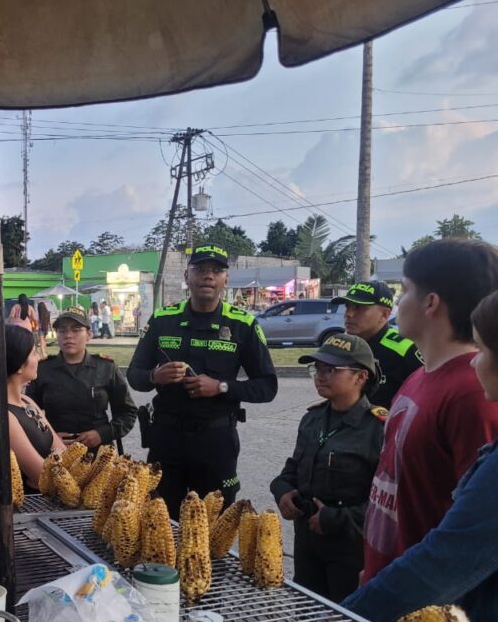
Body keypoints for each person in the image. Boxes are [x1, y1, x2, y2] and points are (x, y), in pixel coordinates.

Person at [342, 289, 498, 622]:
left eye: (483, 351)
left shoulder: (467, 396)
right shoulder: (421, 374)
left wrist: (350, 617)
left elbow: (453, 553)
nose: (475, 361)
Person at [362, 239, 498, 584]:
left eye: (403, 291)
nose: (396, 303)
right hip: (386, 584)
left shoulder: (474, 393)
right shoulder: (419, 375)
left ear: (431, 303)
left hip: (428, 611)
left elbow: (472, 541)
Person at [128, 244, 278, 518]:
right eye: (200, 269)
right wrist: (154, 376)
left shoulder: (242, 325)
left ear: (226, 280)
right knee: (159, 522)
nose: (208, 276)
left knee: (211, 528)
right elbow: (134, 375)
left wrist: (221, 387)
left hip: (215, 441)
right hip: (166, 439)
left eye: (216, 270)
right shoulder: (163, 320)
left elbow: (267, 386)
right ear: (187, 276)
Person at [270, 334, 386, 602]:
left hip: (349, 548)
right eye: (317, 368)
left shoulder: (378, 429)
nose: (320, 376)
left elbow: (387, 504)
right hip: (307, 542)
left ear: (360, 377)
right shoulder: (313, 419)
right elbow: (292, 468)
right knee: (307, 620)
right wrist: (282, 489)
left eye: (331, 370)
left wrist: (337, 519)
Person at [27, 305, 137, 453]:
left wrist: (102, 434)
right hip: (55, 453)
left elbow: (127, 413)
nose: (68, 335)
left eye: (76, 329)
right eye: (62, 330)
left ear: (89, 334)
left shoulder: (106, 367)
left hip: (99, 455)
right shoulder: (43, 370)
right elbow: (27, 415)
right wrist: (48, 437)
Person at [0, 325, 65, 489]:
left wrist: (57, 459)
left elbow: (63, 451)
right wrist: (56, 459)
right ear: (19, 365)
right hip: (27, 505)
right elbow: (40, 474)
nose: (39, 357)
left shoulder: (27, 401)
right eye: (34, 353)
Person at [330, 280, 422, 407]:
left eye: (358, 308)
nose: (349, 314)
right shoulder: (339, 346)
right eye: (347, 307)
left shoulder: (405, 350)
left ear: (384, 315)